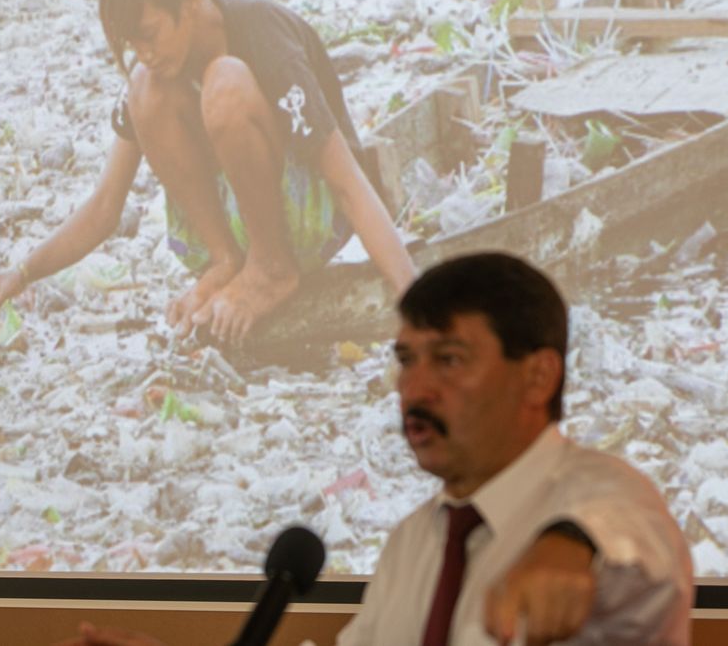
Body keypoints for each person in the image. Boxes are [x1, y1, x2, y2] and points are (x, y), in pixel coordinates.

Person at [61, 252, 693, 646]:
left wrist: (568, 545)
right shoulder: (415, 543)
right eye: (406, 361)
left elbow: (627, 527)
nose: (414, 389)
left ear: (538, 375)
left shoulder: (604, 497)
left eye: (449, 360)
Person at [0, 0, 414, 344]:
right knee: (143, 90)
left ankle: (271, 267)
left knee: (226, 82)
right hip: (239, 230)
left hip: (310, 220)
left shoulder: (262, 33)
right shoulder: (154, 69)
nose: (146, 53)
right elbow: (105, 207)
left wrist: (415, 295)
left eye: (151, 35)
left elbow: (348, 183)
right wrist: (21, 273)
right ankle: (226, 262)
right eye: (133, 44)